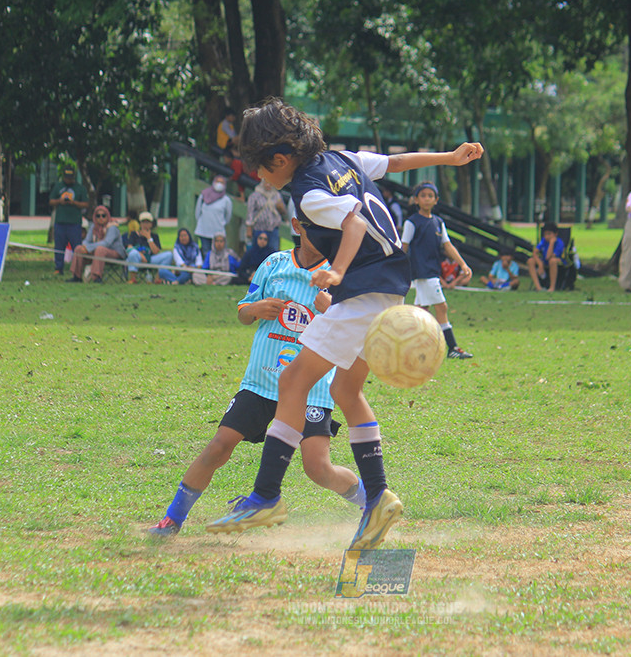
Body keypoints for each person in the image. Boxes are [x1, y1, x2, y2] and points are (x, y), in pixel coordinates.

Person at [203, 98, 483, 551]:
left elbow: (352, 223)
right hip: (393, 284)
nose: (258, 177)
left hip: (364, 290)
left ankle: (266, 495)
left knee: (293, 379)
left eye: (258, 168)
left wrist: (336, 272)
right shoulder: (341, 159)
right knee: (345, 392)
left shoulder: (309, 193)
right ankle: (377, 498)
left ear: (279, 159)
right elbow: (394, 162)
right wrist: (448, 158)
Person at [149, 219, 366, 536]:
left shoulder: (339, 272)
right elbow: (243, 312)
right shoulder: (274, 263)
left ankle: (372, 503)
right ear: (297, 225)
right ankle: (171, 519)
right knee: (219, 446)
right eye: (313, 225)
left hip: (311, 386)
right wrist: (256, 308)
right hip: (263, 380)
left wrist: (331, 308)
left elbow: (355, 327)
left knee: (318, 467)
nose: (322, 233)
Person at [401, 181, 474, 360]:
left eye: (430, 196)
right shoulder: (412, 222)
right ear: (416, 200)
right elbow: (403, 247)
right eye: (423, 195)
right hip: (423, 272)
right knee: (441, 307)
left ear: (436, 200)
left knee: (423, 310)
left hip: (432, 271)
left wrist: (463, 264)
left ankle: (411, 346)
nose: (427, 199)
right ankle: (452, 348)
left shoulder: (438, 222)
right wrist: (396, 268)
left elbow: (447, 245)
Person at [67, 205, 125, 283]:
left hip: (114, 253)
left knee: (100, 249)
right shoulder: (94, 227)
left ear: (107, 216)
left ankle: (97, 277)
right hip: (97, 252)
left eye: (103, 216)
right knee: (78, 248)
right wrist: (84, 246)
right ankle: (77, 276)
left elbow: (106, 243)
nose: (101, 218)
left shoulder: (112, 227)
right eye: (98, 216)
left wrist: (88, 248)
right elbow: (87, 240)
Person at [48, 166, 89, 276]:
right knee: (59, 246)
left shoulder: (80, 188)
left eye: (70, 178)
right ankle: (58, 268)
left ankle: (77, 269)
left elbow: (86, 204)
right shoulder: (58, 186)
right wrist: (59, 201)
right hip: (60, 222)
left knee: (77, 247)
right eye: (67, 178)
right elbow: (51, 201)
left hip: (74, 223)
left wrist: (74, 203)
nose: (68, 180)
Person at [125, 211, 171, 283]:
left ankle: (158, 278)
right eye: (143, 222)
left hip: (150, 259)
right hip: (138, 259)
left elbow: (155, 251)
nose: (145, 224)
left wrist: (149, 238)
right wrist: (141, 255)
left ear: (151, 224)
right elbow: (129, 248)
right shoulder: (134, 234)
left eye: (148, 222)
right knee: (132, 253)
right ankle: (133, 279)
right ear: (140, 223)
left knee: (169, 255)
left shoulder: (154, 236)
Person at [194, 174, 233, 255]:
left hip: (218, 231)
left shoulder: (226, 200)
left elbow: (228, 216)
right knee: (206, 252)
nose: (219, 184)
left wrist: (222, 223)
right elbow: (197, 212)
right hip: (203, 230)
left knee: (218, 253)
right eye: (217, 181)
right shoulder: (203, 196)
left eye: (221, 182)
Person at [245, 180, 286, 254]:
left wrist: (281, 207)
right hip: (259, 229)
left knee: (273, 253)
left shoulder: (276, 195)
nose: (268, 185)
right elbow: (250, 213)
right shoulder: (255, 196)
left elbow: (283, 212)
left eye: (270, 183)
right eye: (266, 183)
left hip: (273, 230)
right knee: (257, 253)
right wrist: (249, 229)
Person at [527, 222, 569, 292]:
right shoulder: (543, 240)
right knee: (530, 261)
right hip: (544, 261)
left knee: (552, 261)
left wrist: (551, 243)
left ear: (555, 234)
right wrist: (540, 264)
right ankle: (538, 287)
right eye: (545, 234)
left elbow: (548, 257)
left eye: (549, 234)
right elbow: (535, 252)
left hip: (557, 260)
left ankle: (552, 287)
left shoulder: (559, 243)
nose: (547, 237)